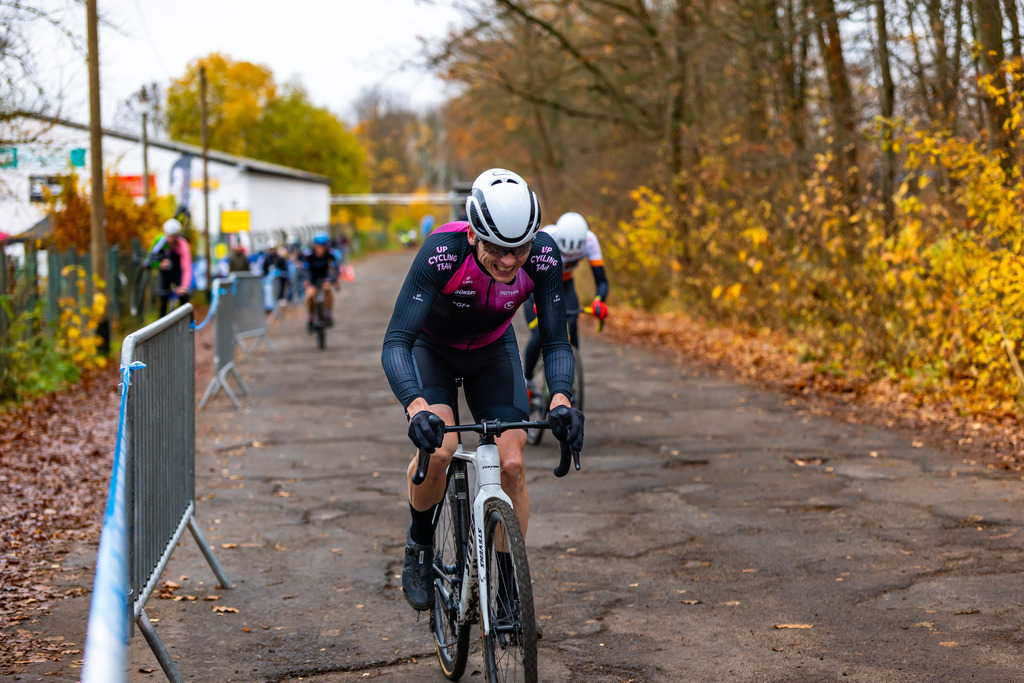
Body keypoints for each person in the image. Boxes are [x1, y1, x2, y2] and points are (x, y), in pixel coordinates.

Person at [381, 168, 585, 612]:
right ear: (473, 233)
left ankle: (511, 589)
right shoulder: (442, 252)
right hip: (431, 349)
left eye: (519, 248)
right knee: (440, 450)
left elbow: (554, 341)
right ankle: (418, 547)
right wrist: (417, 408)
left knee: (511, 463)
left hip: (493, 351)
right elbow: (396, 341)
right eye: (495, 247)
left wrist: (562, 399)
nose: (510, 261)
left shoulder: (544, 257)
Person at [522, 212, 609, 384]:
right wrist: (535, 299)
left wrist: (599, 299)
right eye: (565, 253)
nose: (569, 257)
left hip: (565, 285)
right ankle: (527, 380)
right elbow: (526, 273)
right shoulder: (546, 237)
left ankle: (572, 367)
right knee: (540, 335)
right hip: (538, 285)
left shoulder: (590, 242)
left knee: (573, 322)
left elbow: (602, 281)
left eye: (573, 255)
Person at [155, 218, 192, 317]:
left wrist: (184, 286)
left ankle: (185, 320)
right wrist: (159, 264)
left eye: (173, 237)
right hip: (165, 273)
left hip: (178, 271)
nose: (170, 240)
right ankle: (160, 322)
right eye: (169, 236)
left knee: (184, 296)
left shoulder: (183, 246)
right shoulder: (159, 243)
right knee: (163, 297)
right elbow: (150, 260)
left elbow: (186, 267)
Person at [300, 232, 338, 330]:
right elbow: (304, 270)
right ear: (314, 246)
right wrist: (306, 281)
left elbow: (334, 269)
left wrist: (332, 280)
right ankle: (311, 316)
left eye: (323, 247)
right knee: (310, 295)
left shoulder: (330, 255)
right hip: (312, 280)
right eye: (318, 246)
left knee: (328, 291)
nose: (320, 249)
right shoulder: (308, 255)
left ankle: (328, 313)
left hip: (325, 279)